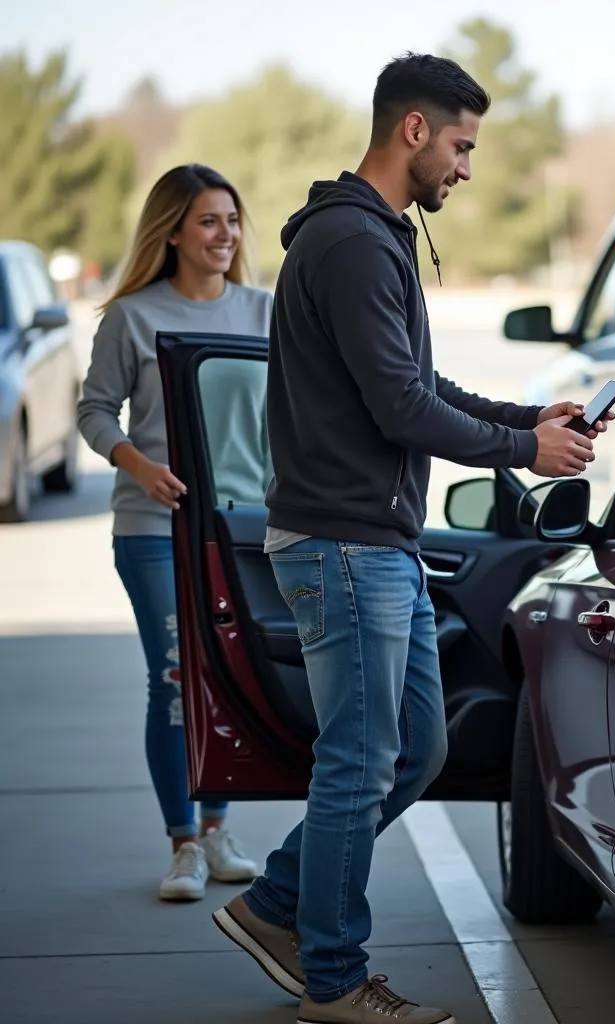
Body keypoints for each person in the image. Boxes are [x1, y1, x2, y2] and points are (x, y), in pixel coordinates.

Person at [210, 52, 610, 1024]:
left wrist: (530, 418)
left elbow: (419, 387)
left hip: (370, 542)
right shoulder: (351, 244)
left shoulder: (373, 237)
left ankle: (274, 904)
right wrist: (523, 448)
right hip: (345, 545)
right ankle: (335, 980)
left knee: (415, 749)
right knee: (361, 756)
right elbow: (399, 407)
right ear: (415, 131)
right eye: (463, 145)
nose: (468, 168)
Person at [77, 164, 272, 902]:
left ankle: (219, 827)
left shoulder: (265, 311)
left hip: (241, 527)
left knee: (228, 674)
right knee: (172, 679)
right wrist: (138, 462)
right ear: (174, 233)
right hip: (152, 525)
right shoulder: (131, 315)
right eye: (208, 222)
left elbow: (285, 419)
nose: (225, 236)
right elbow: (96, 412)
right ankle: (182, 843)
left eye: (231, 220)